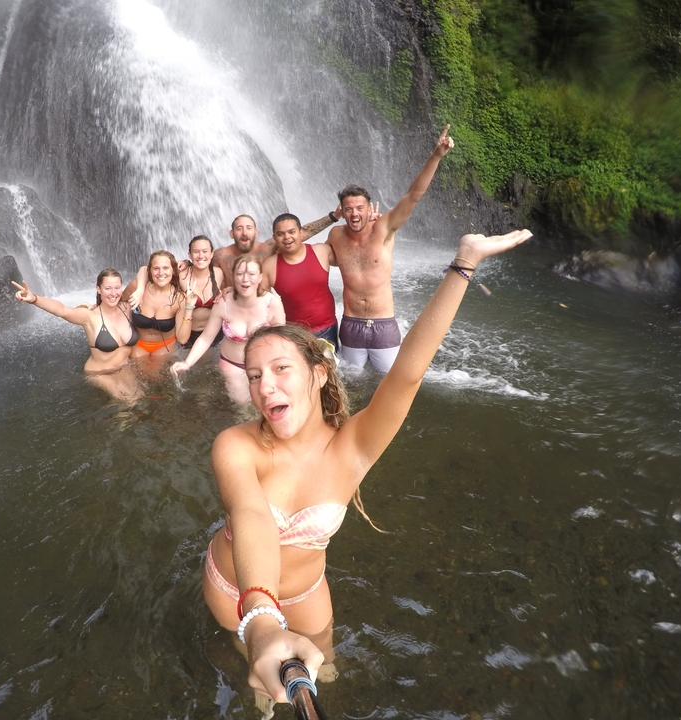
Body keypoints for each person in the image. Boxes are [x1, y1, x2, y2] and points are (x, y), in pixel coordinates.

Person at [203, 229, 532, 708]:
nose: (265, 387)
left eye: (280, 369)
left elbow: (408, 372)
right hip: (237, 592)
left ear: (318, 374)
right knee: (264, 690)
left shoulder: (353, 446)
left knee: (329, 672)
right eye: (254, 377)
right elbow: (252, 516)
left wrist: (463, 265)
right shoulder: (235, 445)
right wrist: (260, 617)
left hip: (309, 591)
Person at [326, 125, 455, 372]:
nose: (354, 213)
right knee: (352, 385)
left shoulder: (383, 228)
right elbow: (315, 259)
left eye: (359, 208)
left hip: (383, 326)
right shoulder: (336, 235)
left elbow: (412, 196)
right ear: (342, 211)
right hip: (350, 325)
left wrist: (435, 156)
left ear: (367, 209)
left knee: (389, 385)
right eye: (349, 209)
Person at [10, 269, 142, 404]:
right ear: (98, 289)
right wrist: (34, 299)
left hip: (124, 366)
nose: (113, 293)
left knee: (140, 397)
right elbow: (61, 310)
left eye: (117, 288)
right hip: (100, 373)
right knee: (130, 402)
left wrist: (141, 289)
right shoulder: (89, 316)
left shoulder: (127, 308)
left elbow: (145, 274)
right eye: (108, 288)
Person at [170, 254, 285, 404]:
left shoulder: (272, 303)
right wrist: (187, 363)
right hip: (232, 365)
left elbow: (283, 341)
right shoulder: (223, 302)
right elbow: (206, 338)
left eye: (251, 274)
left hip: (265, 365)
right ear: (233, 276)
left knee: (270, 402)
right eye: (240, 274)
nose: (245, 279)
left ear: (260, 277)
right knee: (243, 407)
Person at [261, 213, 339, 350]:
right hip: (294, 335)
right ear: (274, 238)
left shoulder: (321, 251)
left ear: (301, 232)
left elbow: (351, 261)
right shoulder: (269, 266)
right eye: (280, 234)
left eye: (292, 232)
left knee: (331, 370)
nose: (287, 237)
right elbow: (260, 303)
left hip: (328, 329)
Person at [212, 208, 343, 289]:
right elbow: (201, 274)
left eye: (249, 228)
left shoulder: (268, 247)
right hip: (232, 313)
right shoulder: (220, 255)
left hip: (263, 312)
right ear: (231, 233)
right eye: (239, 229)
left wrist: (334, 217)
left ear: (256, 233)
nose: (244, 233)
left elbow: (304, 232)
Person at [121, 250, 195, 356]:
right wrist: (96, 308)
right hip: (138, 344)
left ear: (173, 270)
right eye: (156, 268)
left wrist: (189, 308)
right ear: (150, 270)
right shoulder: (136, 287)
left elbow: (182, 339)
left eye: (165, 268)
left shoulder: (179, 298)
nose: (161, 273)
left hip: (165, 347)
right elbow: (116, 303)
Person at [180, 235, 225, 349]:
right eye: (196, 252)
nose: (201, 256)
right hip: (188, 334)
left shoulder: (218, 273)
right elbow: (150, 270)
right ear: (189, 255)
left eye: (205, 251)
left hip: (215, 333)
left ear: (212, 254)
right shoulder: (180, 276)